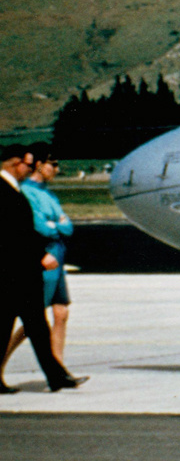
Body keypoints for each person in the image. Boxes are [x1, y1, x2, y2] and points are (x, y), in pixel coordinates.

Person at [0, 144, 85, 392]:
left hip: (21, 271)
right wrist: (40, 254)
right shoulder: (5, 191)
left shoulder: (14, 190)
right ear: (15, 164)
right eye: (28, 164)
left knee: (34, 325)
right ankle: (56, 376)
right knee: (23, 326)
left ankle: (56, 376)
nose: (30, 169)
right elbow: (14, 234)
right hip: (14, 272)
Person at [5, 150, 72, 364]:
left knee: (61, 314)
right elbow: (39, 227)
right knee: (33, 321)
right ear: (40, 165)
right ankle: (2, 363)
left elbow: (68, 227)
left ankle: (59, 368)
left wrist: (57, 224)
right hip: (45, 258)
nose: (57, 169)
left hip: (58, 257)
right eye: (53, 164)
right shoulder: (27, 191)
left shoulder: (49, 194)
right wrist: (57, 224)